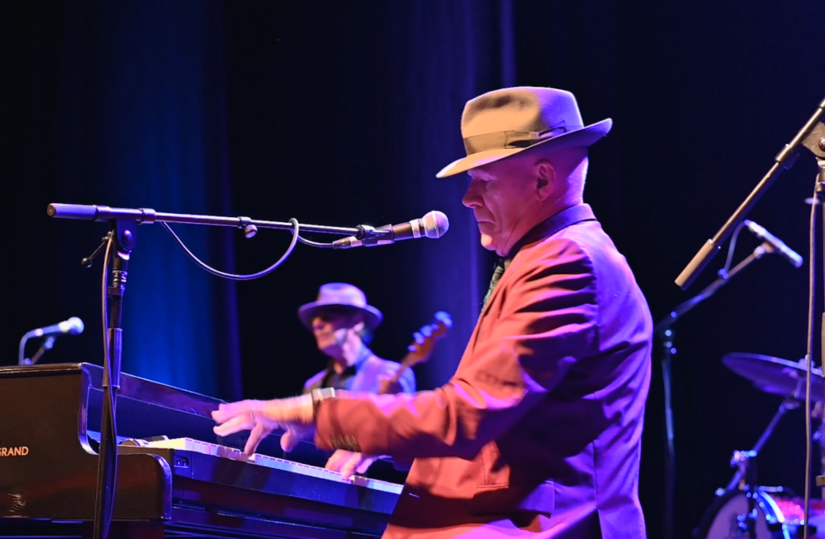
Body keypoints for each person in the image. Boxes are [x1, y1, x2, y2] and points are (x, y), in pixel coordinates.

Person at [213, 87, 652, 538]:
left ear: (542, 180)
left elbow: (466, 416)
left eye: (484, 180)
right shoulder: (550, 257)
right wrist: (381, 442)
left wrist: (317, 412)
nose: (467, 199)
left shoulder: (567, 263)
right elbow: (507, 433)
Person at [299, 282, 416, 396]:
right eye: (313, 320)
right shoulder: (313, 386)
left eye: (327, 316)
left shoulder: (391, 374)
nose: (317, 324)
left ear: (357, 321)